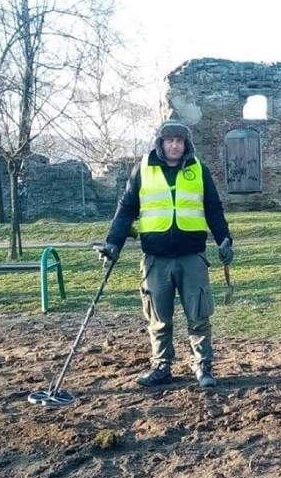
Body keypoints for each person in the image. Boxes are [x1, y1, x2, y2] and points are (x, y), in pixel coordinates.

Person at [96, 119, 234, 388]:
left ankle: (203, 366)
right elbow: (125, 211)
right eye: (169, 140)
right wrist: (113, 243)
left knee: (199, 315)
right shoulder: (142, 170)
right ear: (160, 143)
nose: (174, 145)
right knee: (158, 317)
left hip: (192, 257)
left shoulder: (199, 170)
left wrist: (224, 239)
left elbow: (213, 209)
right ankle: (161, 366)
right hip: (155, 259)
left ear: (186, 144)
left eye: (179, 140)